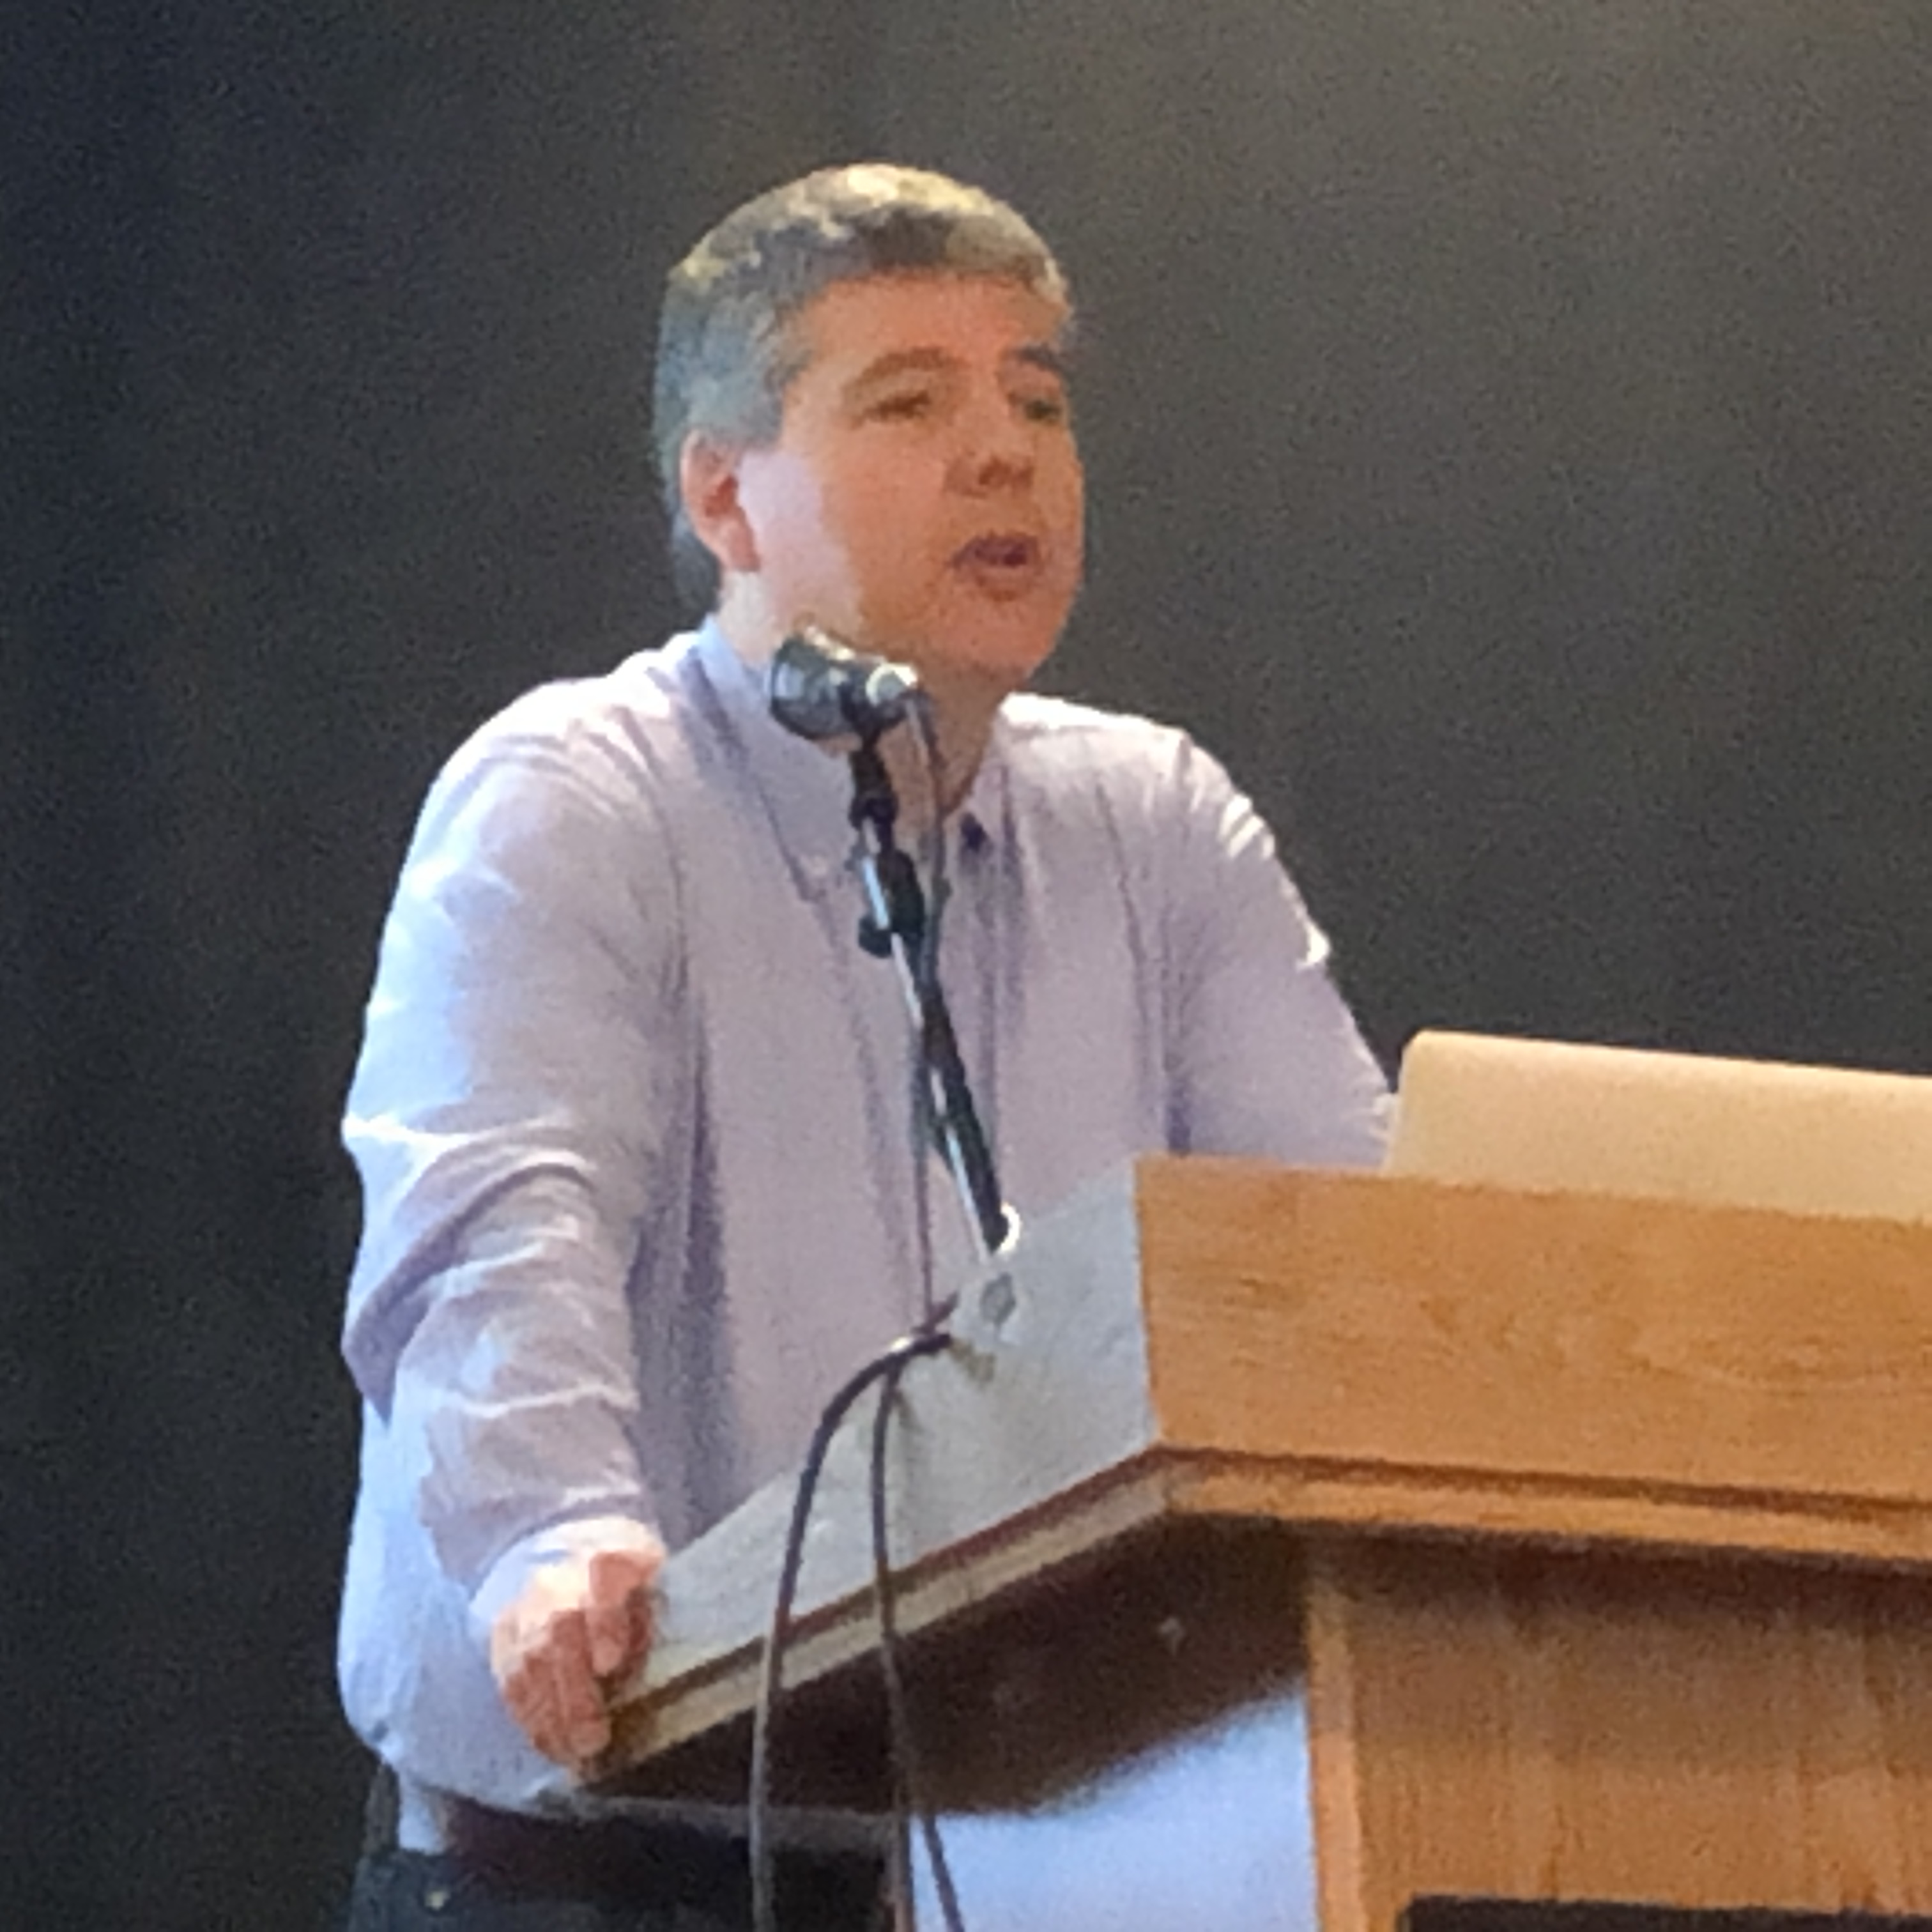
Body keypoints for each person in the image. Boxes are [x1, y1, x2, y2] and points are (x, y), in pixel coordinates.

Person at [337, 162, 1391, 1931]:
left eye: (1037, 402)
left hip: (1052, 1869)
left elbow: (1350, 1260)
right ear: (724, 495)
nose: (1004, 455)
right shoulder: (576, 795)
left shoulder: (1154, 823)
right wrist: (551, 1535)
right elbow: (494, 1227)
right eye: (911, 401)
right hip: (607, 1874)